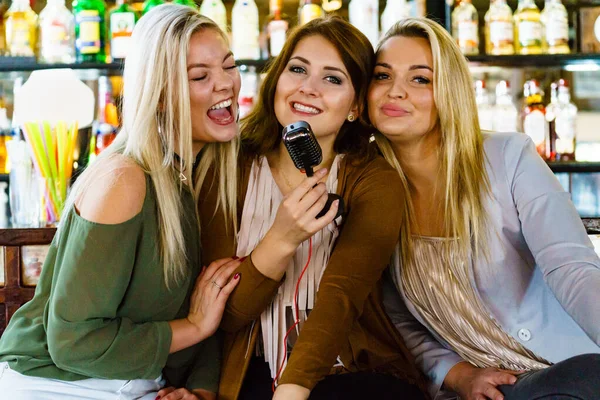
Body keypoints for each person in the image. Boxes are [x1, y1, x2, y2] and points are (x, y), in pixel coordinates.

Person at [0, 5, 242, 399]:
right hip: (55, 384)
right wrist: (196, 327)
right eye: (200, 75)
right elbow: (73, 342)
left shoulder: (197, 173)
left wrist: (199, 391)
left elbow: (201, 302)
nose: (226, 85)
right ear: (160, 97)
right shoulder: (125, 179)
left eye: (229, 66)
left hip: (134, 383)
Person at [367, 16, 600, 400]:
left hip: (564, 371)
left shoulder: (508, 157)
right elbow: (396, 317)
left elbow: (572, 268)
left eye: (420, 78)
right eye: (382, 76)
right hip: (487, 391)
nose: (396, 91)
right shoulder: (368, 188)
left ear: (450, 91)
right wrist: (457, 375)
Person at [198, 16, 428, 400]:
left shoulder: (374, 180)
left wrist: (293, 388)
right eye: (298, 69)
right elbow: (231, 313)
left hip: (348, 367)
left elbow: (340, 298)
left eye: (332, 78)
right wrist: (282, 238)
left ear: (355, 105)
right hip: (250, 369)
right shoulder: (226, 165)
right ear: (277, 80)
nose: (308, 88)